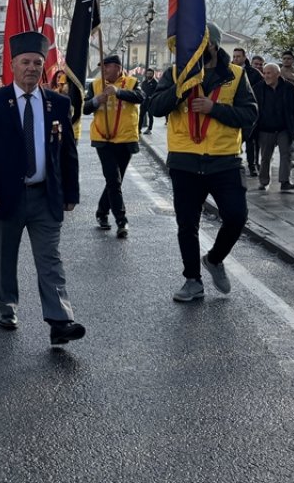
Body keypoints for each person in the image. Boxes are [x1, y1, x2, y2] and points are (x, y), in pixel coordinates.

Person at [0, 31, 85, 345]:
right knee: (4, 258)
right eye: (25, 62)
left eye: (37, 62)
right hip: (5, 196)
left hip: (45, 196)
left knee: (50, 259)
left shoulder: (58, 104)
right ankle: (7, 308)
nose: (32, 67)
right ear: (13, 65)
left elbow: (68, 152)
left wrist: (71, 193)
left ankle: (60, 320)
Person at [145, 22, 258, 303]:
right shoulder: (174, 73)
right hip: (185, 161)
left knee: (236, 216)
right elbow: (156, 107)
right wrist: (180, 89)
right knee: (187, 224)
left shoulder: (236, 74)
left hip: (225, 161)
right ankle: (192, 280)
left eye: (199, 42)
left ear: (213, 45)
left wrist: (214, 109)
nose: (192, 48)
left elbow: (250, 115)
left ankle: (215, 259)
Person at [82, 55, 144, 238]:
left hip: (125, 139)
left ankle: (102, 212)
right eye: (102, 67)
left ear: (117, 67)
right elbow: (84, 108)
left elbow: (140, 98)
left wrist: (117, 91)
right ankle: (121, 220)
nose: (104, 71)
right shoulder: (95, 85)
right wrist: (96, 101)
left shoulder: (132, 82)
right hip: (104, 139)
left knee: (115, 181)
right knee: (113, 180)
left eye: (107, 67)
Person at [254, 63, 294, 192]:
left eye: (269, 73)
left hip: (284, 129)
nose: (266, 76)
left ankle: (285, 181)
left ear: (277, 74)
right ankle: (263, 181)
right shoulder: (258, 88)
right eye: (264, 73)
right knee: (265, 157)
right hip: (265, 129)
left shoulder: (289, 88)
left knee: (286, 155)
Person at [231, 48, 262, 177]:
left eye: (238, 56)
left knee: (251, 141)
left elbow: (260, 91)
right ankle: (234, 163)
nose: (236, 59)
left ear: (244, 57)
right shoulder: (229, 71)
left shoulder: (253, 73)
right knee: (234, 139)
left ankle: (252, 165)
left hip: (249, 111)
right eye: (234, 56)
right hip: (234, 111)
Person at [139, 67, 158, 134]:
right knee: (141, 115)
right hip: (143, 102)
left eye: (150, 74)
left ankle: (149, 129)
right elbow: (141, 91)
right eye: (148, 74)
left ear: (153, 74)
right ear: (146, 74)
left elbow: (157, 93)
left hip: (151, 103)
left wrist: (152, 97)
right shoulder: (144, 83)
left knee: (150, 116)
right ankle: (139, 129)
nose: (149, 75)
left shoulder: (155, 83)